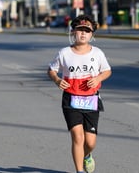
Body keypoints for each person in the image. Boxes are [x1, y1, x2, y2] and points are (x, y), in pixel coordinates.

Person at [47, 15, 112, 173]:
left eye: (87, 30)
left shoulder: (97, 53)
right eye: (79, 30)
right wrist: (56, 79)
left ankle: (86, 155)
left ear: (92, 34)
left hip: (91, 99)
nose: (83, 33)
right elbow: (51, 70)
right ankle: (79, 171)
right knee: (77, 137)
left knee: (90, 142)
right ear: (73, 32)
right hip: (71, 98)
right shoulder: (64, 53)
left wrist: (98, 78)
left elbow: (107, 71)